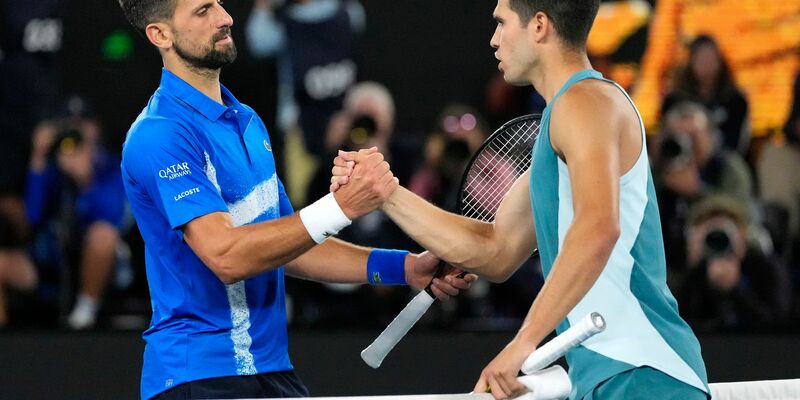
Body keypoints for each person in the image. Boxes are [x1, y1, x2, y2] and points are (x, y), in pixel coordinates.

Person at [332, 1, 709, 399]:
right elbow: (496, 249)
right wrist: (385, 192)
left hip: (643, 372)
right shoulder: (565, 118)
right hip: (612, 377)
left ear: (539, 25)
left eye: (501, 23)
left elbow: (598, 228)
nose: (494, 40)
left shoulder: (585, 102)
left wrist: (523, 343)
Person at [115, 1, 473, 399]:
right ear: (160, 34)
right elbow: (226, 257)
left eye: (218, 3)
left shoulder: (247, 121)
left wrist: (406, 267)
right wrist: (340, 207)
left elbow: (292, 245)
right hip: (198, 376)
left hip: (270, 371)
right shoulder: (160, 134)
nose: (225, 18)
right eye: (202, 11)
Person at [25, 116, 130, 330]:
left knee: (103, 235)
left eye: (83, 123)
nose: (77, 131)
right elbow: (32, 216)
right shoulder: (53, 168)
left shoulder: (111, 166)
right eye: (71, 124)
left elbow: (114, 219)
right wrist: (38, 158)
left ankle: (85, 312)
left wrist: (85, 180)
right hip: (53, 260)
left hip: (101, 261)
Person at [661, 35, 750, 157]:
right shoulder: (674, 101)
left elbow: (736, 144)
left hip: (721, 160)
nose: (707, 65)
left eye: (711, 59)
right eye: (702, 59)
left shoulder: (735, 101)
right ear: (691, 62)